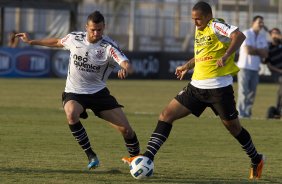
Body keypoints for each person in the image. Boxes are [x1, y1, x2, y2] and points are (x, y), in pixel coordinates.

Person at [122, 1, 265, 180]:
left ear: (207, 16)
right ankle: (147, 158)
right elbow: (201, 55)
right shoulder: (199, 29)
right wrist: (186, 66)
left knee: (233, 127)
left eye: (198, 19)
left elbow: (239, 36)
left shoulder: (215, 25)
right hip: (196, 87)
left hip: (218, 89)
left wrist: (227, 55)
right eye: (193, 19)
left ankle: (256, 159)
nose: (195, 22)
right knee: (166, 115)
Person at [16, 11, 140, 170]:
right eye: (93, 30)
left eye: (100, 30)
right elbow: (57, 42)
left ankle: (136, 160)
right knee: (71, 112)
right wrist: (31, 41)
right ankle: (91, 155)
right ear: (86, 27)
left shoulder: (109, 46)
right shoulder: (75, 38)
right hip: (74, 92)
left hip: (99, 93)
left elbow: (127, 64)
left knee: (127, 130)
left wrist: (125, 69)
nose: (96, 33)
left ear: (104, 28)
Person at [236, 16, 268, 118]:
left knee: (252, 94)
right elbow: (248, 51)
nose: (261, 24)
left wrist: (255, 50)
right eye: (259, 22)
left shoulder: (262, 36)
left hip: (255, 68)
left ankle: (247, 114)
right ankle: (240, 114)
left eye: (262, 23)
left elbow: (265, 54)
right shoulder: (246, 33)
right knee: (243, 92)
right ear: (253, 23)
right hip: (244, 67)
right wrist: (259, 51)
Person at [264, 28, 282, 118]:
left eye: (277, 33)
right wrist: (279, 71)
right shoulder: (268, 46)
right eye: (274, 33)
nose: (276, 35)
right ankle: (279, 109)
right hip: (276, 72)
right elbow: (268, 65)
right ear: (270, 35)